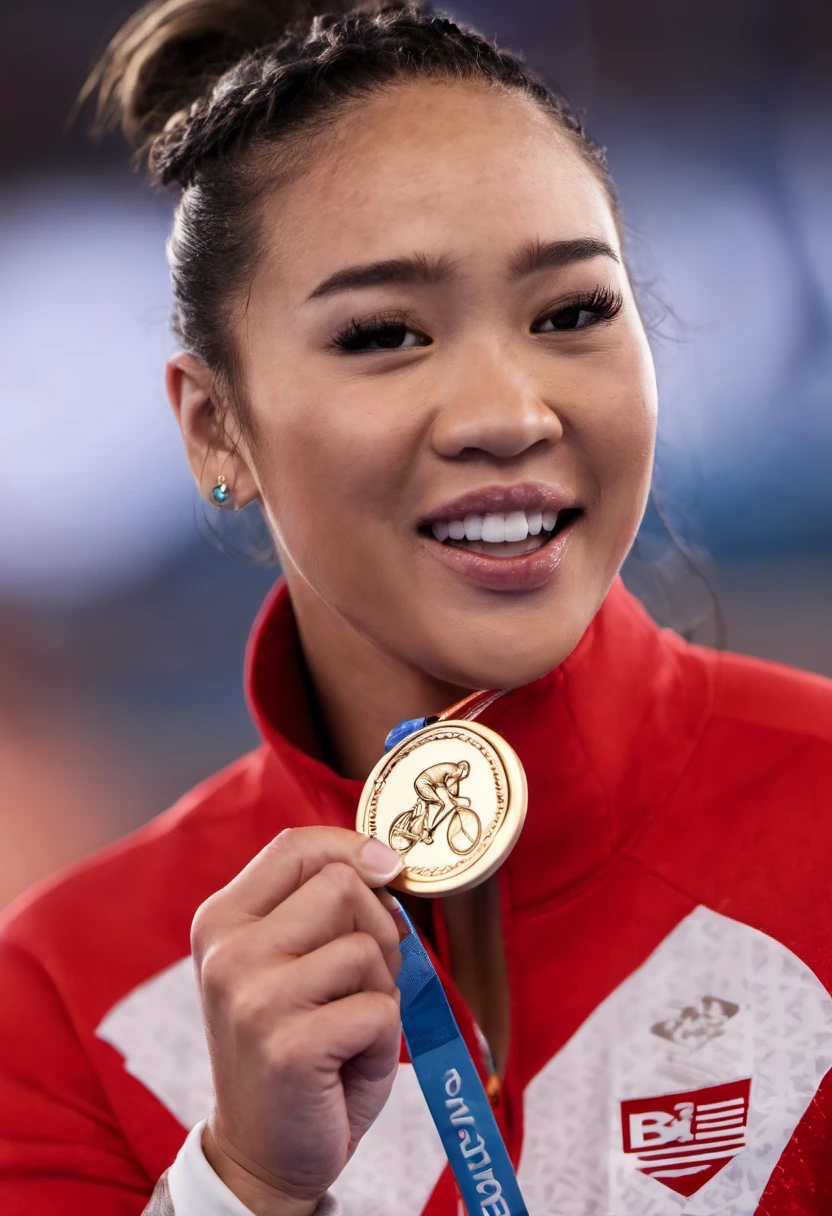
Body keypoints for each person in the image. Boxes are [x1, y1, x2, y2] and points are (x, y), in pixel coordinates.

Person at [1, 1, 830, 1213]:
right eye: (385, 333)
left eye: (571, 314)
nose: (507, 412)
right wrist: (241, 1186)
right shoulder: (64, 997)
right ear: (213, 426)